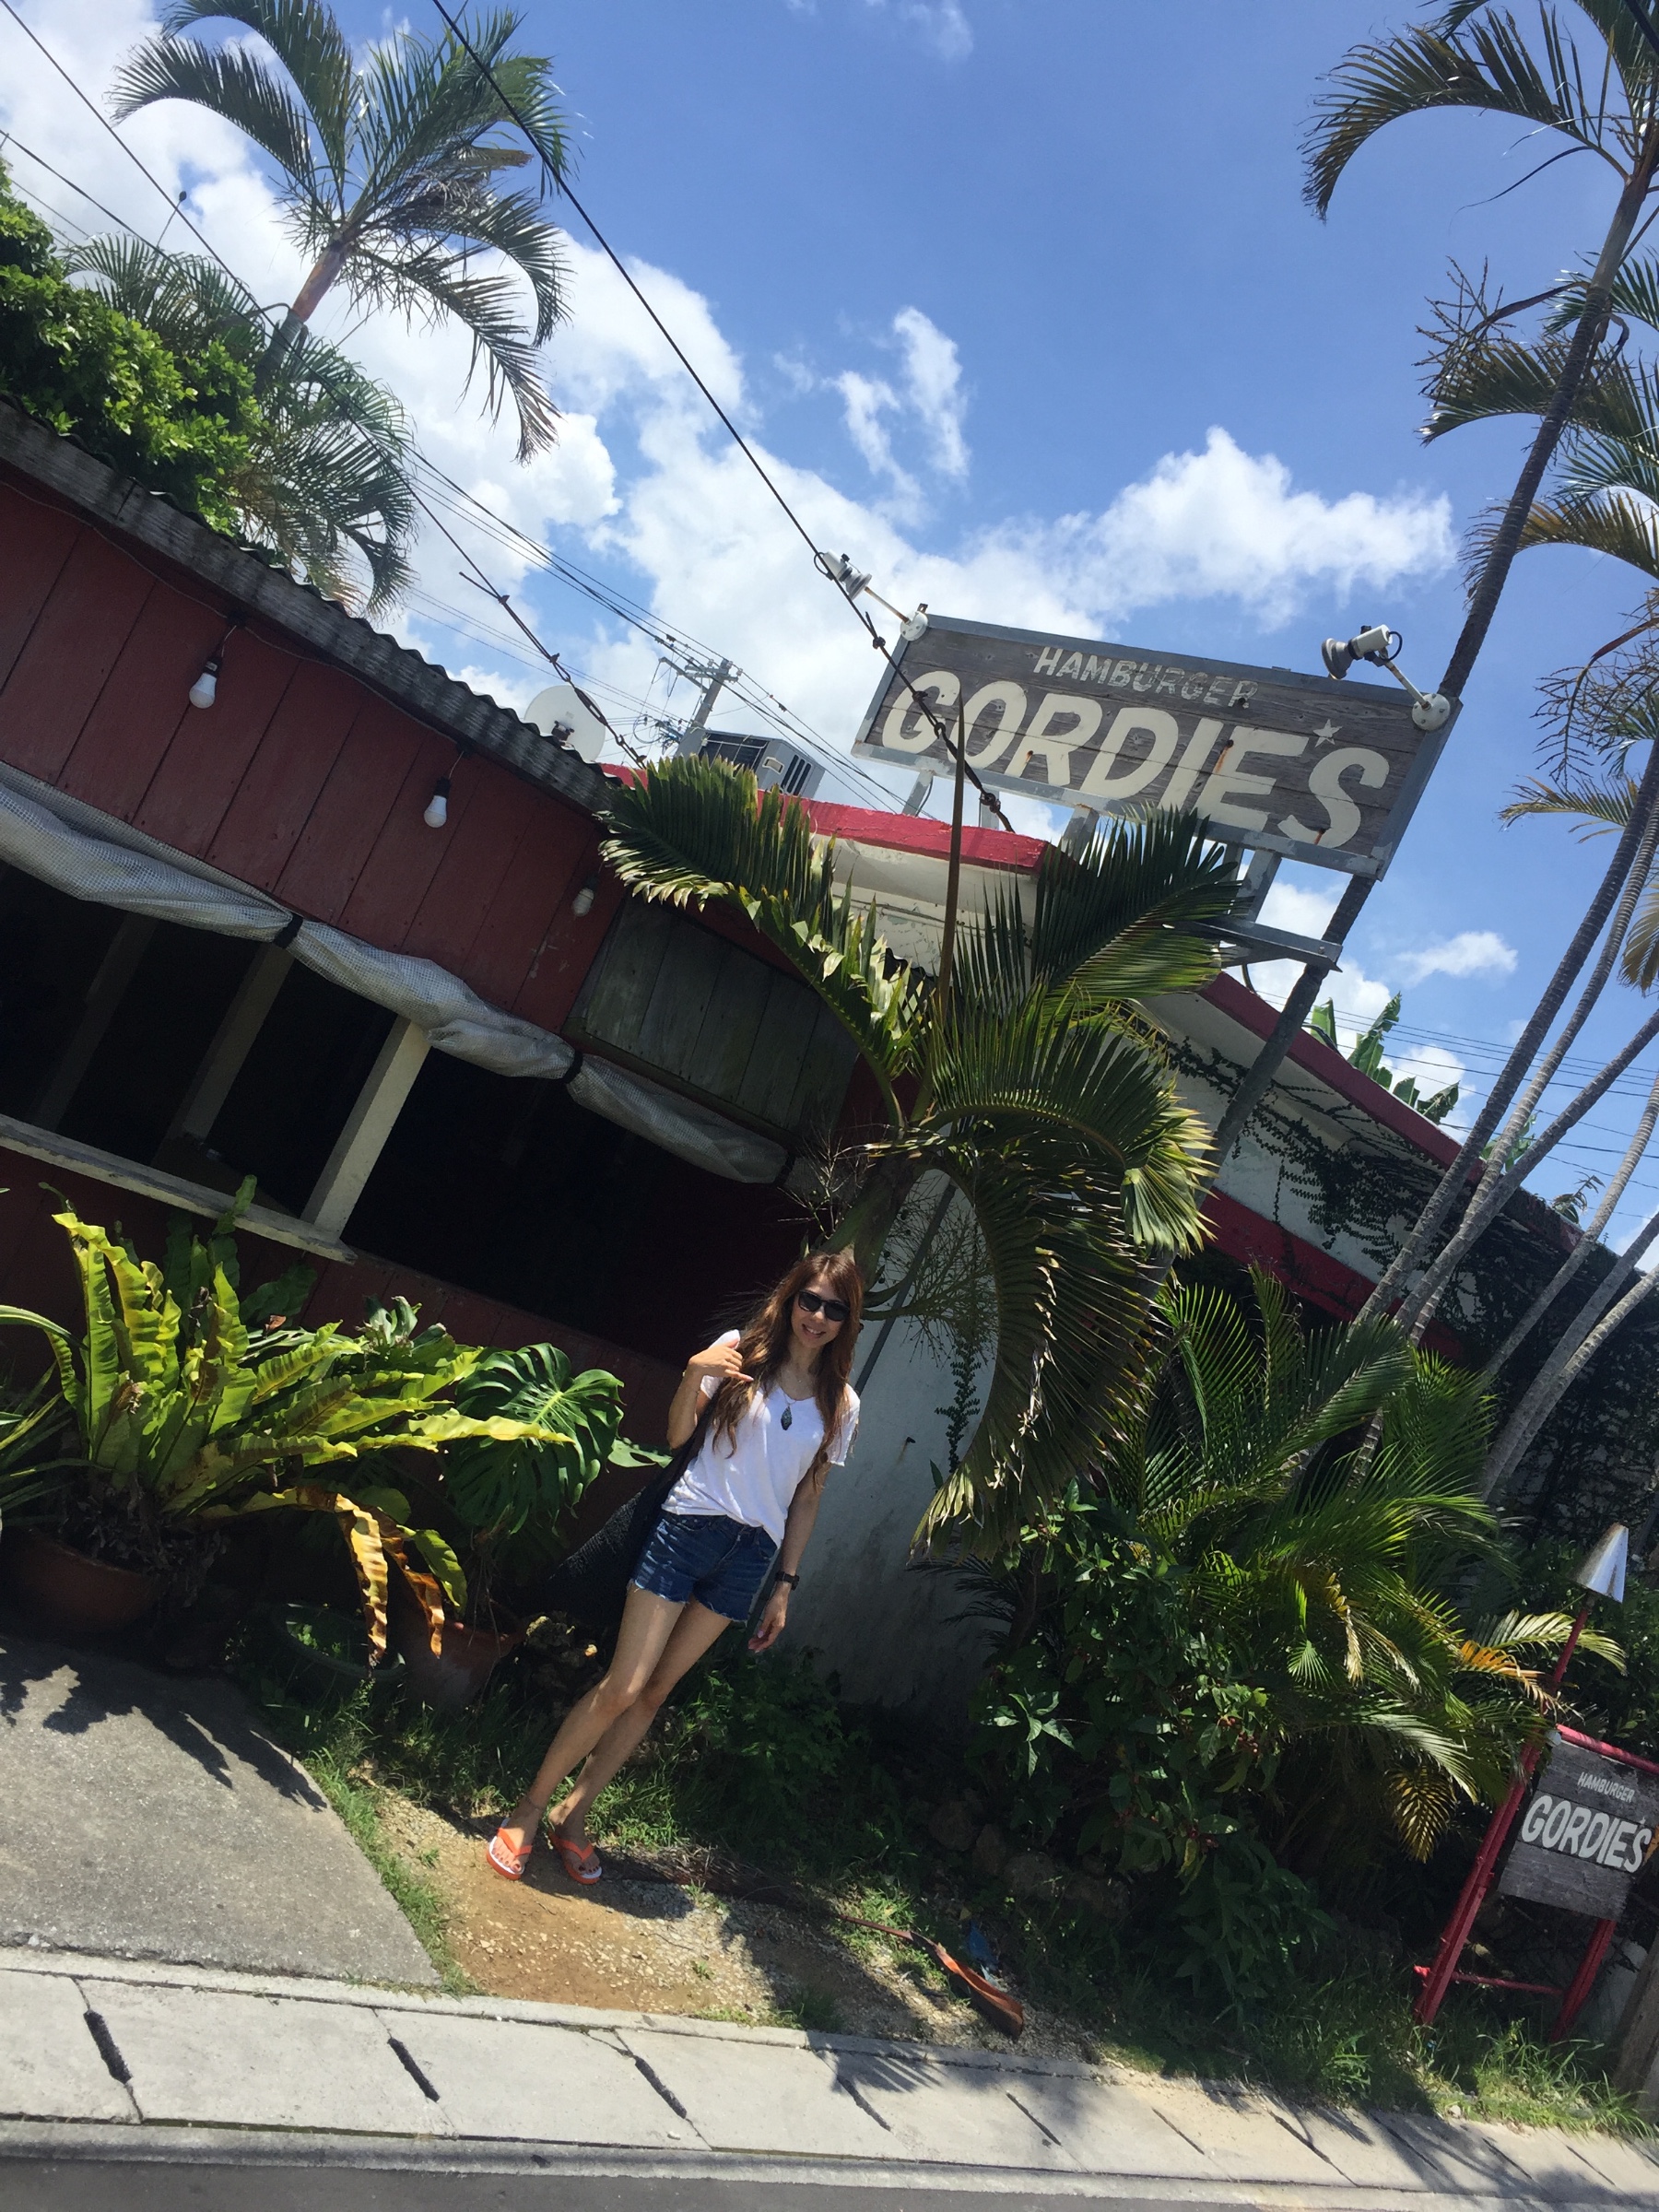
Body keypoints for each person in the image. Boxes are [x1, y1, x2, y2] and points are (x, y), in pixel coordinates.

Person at [487, 1249, 864, 1883]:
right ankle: (527, 1808)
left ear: (847, 1321)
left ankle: (573, 1816)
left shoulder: (842, 1404)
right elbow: (678, 1437)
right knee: (624, 1685)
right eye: (810, 1300)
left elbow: (807, 1495)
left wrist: (785, 1585)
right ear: (792, 1297)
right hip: (689, 1526)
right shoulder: (739, 1352)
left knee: (656, 1693)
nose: (818, 1317)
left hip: (750, 1555)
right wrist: (693, 1373)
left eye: (835, 1309)